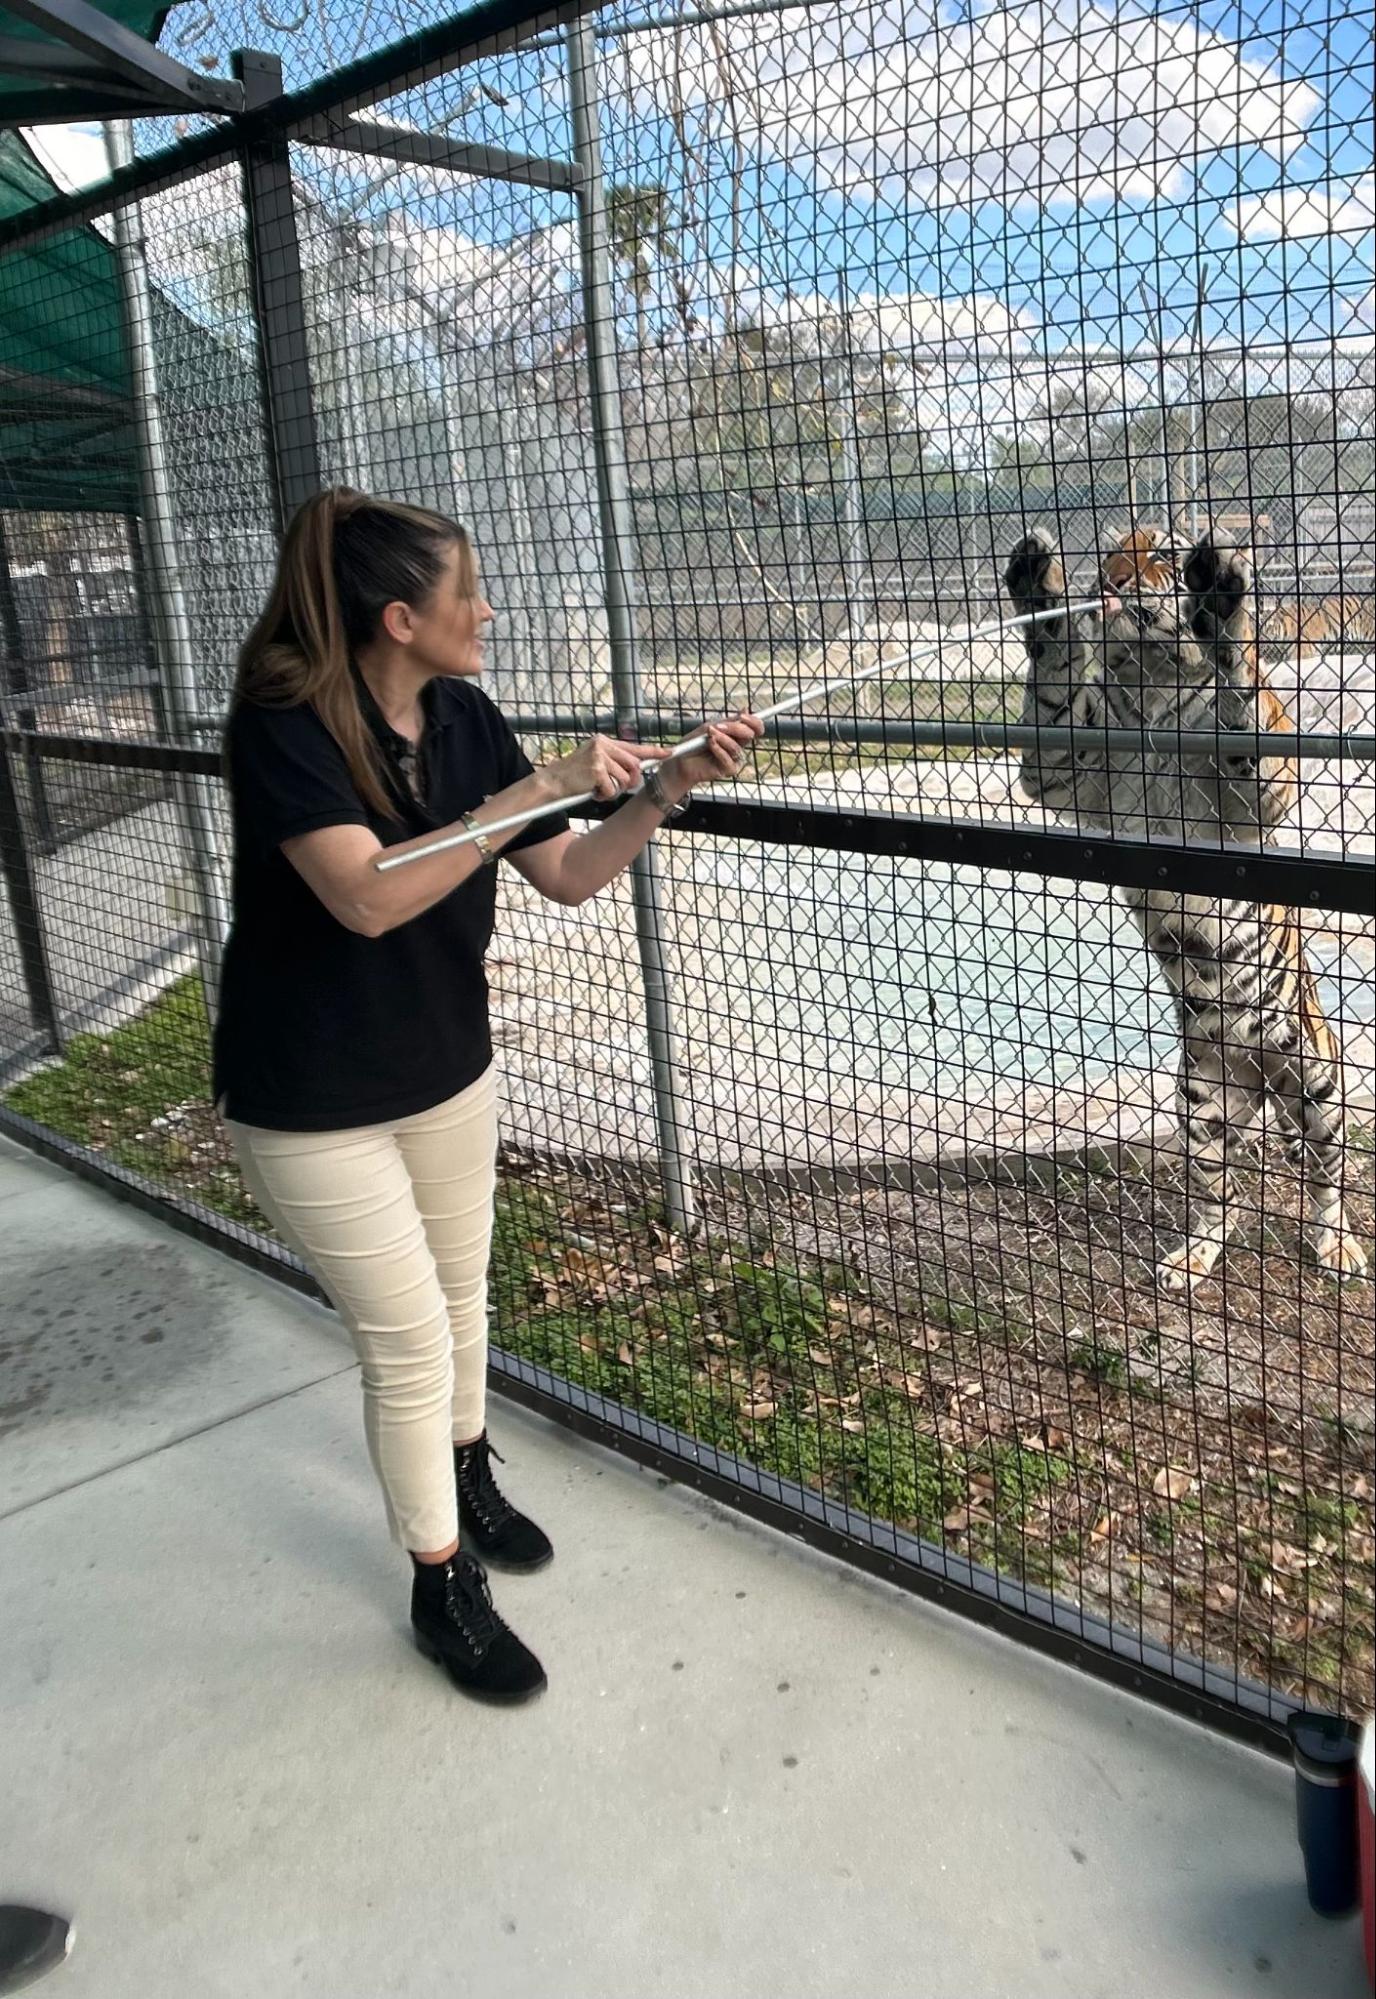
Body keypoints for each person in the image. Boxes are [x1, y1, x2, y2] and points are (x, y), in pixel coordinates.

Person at [213, 488, 761, 1706]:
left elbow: (563, 872)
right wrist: (532, 787)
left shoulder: (462, 715)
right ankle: (439, 1582)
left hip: (443, 1070)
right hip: (309, 1098)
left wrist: (658, 790)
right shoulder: (287, 720)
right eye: (469, 595)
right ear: (400, 618)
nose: (489, 611)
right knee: (406, 1340)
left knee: (461, 1301)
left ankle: (464, 1476)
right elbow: (366, 894)